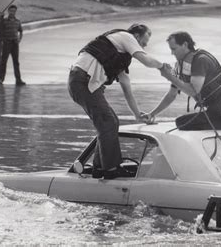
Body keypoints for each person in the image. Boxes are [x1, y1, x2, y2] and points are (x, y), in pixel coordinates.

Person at [68, 24, 168, 179]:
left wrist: (137, 114)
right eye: (143, 42)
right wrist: (163, 67)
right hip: (82, 81)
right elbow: (146, 60)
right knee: (108, 121)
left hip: (86, 84)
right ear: (135, 35)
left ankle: (100, 168)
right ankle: (110, 169)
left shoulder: (120, 55)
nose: (144, 46)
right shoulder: (125, 36)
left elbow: (127, 89)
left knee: (111, 122)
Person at [143, 31, 221, 131]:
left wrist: (170, 76)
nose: (172, 53)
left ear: (185, 45)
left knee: (183, 123)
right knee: (181, 122)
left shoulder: (200, 60)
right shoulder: (179, 66)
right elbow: (172, 94)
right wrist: (152, 114)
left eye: (174, 49)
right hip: (212, 108)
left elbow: (193, 91)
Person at [0, 5, 25, 85]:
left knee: (16, 62)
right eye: (11, 11)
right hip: (7, 43)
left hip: (15, 43)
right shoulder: (4, 21)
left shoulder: (17, 21)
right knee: (3, 61)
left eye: (14, 11)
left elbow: (21, 31)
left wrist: (19, 39)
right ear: (8, 11)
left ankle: (18, 79)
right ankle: (0, 79)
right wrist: (3, 40)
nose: (12, 12)